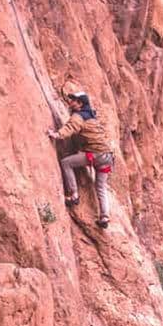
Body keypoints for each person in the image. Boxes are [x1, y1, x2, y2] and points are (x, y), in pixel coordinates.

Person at [48, 91, 114, 229]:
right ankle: (105, 216)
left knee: (66, 163)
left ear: (80, 104)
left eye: (74, 100)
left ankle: (74, 195)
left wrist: (56, 134)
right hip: (107, 156)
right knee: (101, 187)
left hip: (95, 155)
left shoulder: (79, 116)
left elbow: (71, 127)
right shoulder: (91, 116)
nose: (70, 102)